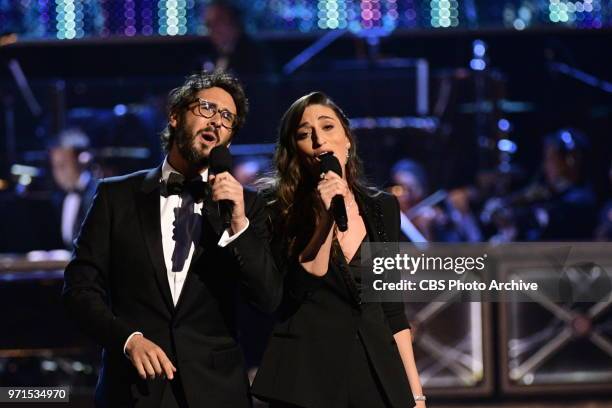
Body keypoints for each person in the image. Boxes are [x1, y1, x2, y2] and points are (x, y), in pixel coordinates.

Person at [62, 71, 282, 408]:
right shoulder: (116, 195)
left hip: (217, 393)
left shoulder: (247, 205)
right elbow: (78, 291)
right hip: (134, 391)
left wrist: (238, 223)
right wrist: (127, 340)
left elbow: (267, 299)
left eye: (227, 118)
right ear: (176, 116)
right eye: (207, 108)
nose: (216, 122)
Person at [252, 92, 425, 407]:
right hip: (309, 380)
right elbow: (295, 291)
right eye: (304, 134)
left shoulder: (382, 207)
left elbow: (392, 312)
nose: (319, 139)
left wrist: (416, 395)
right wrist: (326, 218)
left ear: (347, 139)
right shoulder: (274, 210)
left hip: (376, 375)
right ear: (296, 151)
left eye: (328, 127)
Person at [49, 128, 98, 249]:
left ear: (82, 160)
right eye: (55, 166)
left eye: (63, 165)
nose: (58, 173)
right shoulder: (58, 198)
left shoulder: (101, 193)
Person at [200, 1, 273, 76]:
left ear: (234, 21)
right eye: (209, 24)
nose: (213, 29)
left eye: (219, 21)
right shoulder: (207, 54)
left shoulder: (254, 53)